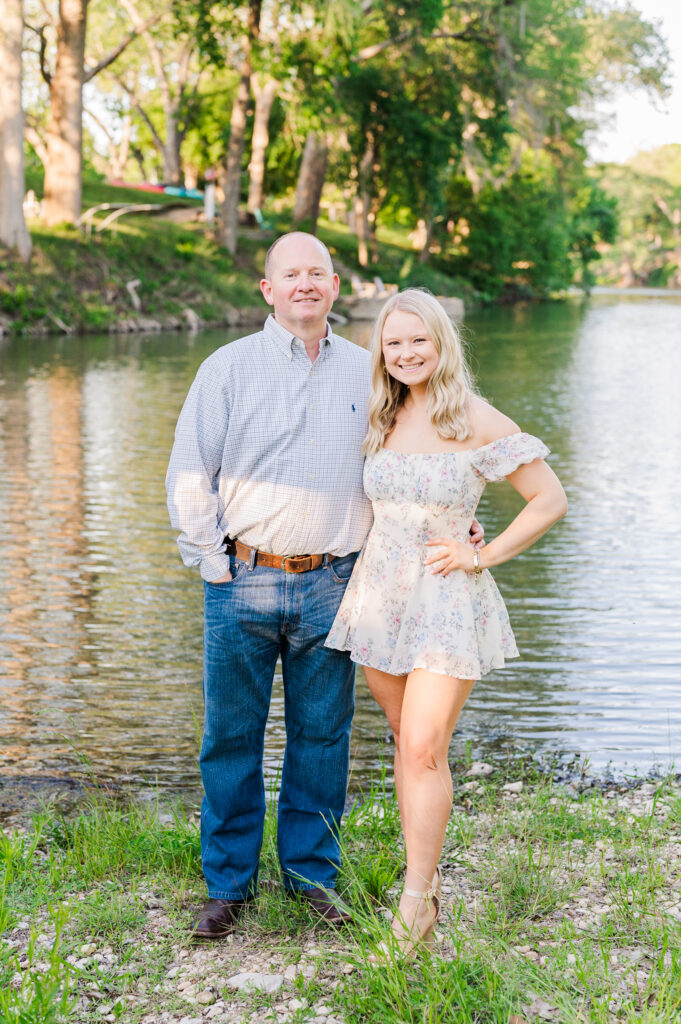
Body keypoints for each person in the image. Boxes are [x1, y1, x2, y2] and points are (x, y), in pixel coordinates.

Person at [166, 233, 486, 940]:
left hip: (336, 584)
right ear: (268, 289)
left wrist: (460, 525)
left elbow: (430, 450)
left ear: (335, 287)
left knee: (321, 738)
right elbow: (190, 472)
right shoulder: (227, 368)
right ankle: (228, 885)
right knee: (229, 738)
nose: (305, 284)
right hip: (242, 579)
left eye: (317, 273)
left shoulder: (370, 373)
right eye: (291, 274)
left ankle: (311, 877)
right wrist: (214, 567)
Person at [325, 288, 568, 959]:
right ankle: (425, 886)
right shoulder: (380, 414)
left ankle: (414, 905)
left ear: (440, 344)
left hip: (445, 599)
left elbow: (548, 499)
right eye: (392, 342)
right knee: (407, 743)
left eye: (417, 341)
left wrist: (478, 552)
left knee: (426, 744)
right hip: (381, 599)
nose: (404, 353)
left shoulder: (474, 418)